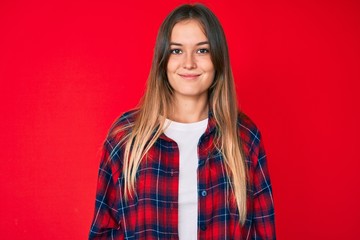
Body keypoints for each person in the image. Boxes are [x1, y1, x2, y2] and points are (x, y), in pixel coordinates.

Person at [89, 3, 275, 239]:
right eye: (177, 50)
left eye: (202, 50)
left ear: (217, 59)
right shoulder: (126, 137)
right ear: (163, 60)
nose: (189, 63)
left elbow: (263, 232)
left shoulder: (245, 137)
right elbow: (102, 231)